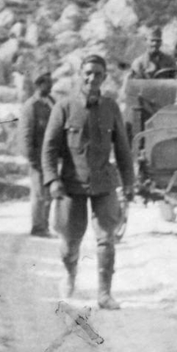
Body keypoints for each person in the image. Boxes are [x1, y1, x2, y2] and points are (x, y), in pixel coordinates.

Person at [42, 54, 135, 308]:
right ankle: (70, 274)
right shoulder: (64, 107)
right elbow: (49, 148)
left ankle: (104, 294)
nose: (93, 78)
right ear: (80, 75)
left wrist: (128, 183)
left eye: (98, 74)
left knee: (107, 238)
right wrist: (52, 180)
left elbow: (123, 150)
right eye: (88, 73)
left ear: (104, 78)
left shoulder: (111, 107)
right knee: (70, 241)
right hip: (72, 185)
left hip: (104, 184)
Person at [18, 71, 55, 237]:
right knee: (39, 193)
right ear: (39, 84)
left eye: (51, 82)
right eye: (47, 83)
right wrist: (32, 158)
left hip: (51, 157)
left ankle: (44, 226)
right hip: (38, 158)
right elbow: (26, 134)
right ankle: (38, 227)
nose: (51, 85)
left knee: (48, 194)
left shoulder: (51, 102)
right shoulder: (31, 106)